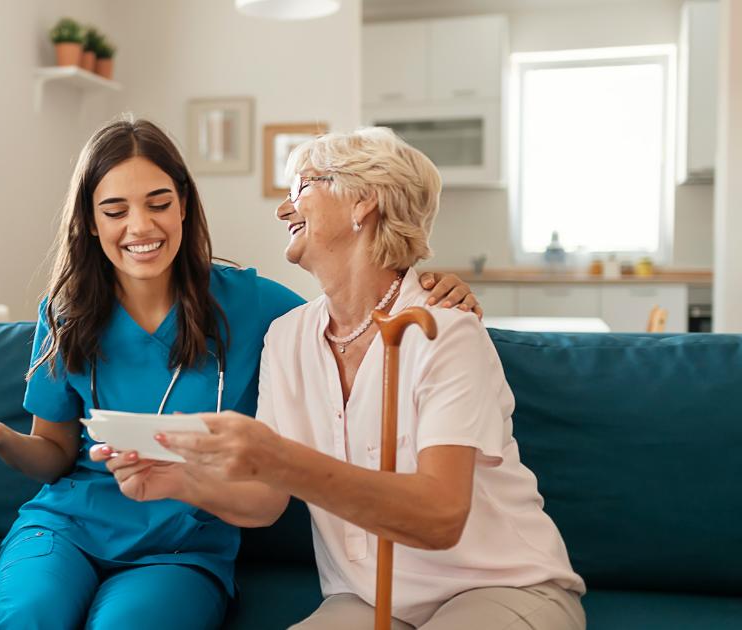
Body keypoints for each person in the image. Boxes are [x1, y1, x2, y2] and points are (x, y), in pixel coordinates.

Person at [0, 118, 482, 630]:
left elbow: (356, 307)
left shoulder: (254, 306)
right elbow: (54, 452)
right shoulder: (64, 313)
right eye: (114, 210)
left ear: (184, 203)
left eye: (159, 202)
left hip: (182, 547)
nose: (140, 226)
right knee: (27, 617)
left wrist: (432, 285)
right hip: (64, 530)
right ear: (89, 221)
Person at [105, 127, 585, 630]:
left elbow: (441, 517)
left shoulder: (442, 329)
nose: (282, 210)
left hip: (498, 584)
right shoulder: (287, 338)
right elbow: (266, 500)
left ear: (363, 202)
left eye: (302, 187)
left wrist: (280, 457)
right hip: (367, 599)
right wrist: (179, 480)